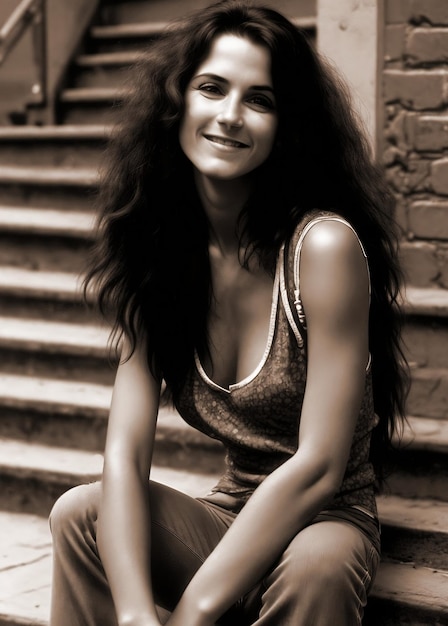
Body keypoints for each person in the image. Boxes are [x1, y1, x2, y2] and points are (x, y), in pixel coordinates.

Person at [48, 1, 409, 624]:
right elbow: (125, 456)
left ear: (286, 125)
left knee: (316, 568)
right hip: (233, 511)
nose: (230, 116)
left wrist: (192, 611)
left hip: (323, 521)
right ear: (177, 103)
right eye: (211, 88)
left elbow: (320, 466)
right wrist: (136, 614)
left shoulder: (321, 247)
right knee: (79, 513)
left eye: (260, 100)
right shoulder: (158, 256)